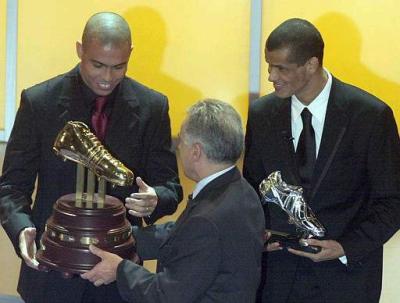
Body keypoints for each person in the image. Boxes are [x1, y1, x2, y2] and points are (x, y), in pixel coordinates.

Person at [0, 12, 182, 303]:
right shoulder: (39, 102)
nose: (107, 77)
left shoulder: (153, 107)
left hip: (119, 279)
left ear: (130, 54)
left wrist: (154, 199)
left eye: (118, 66)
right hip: (52, 276)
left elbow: (171, 187)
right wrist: (22, 228)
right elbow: (11, 188)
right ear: (79, 50)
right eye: (97, 64)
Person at [243, 18, 400, 303]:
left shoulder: (371, 117)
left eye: (281, 68)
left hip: (346, 281)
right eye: (268, 65)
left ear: (311, 64)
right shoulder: (261, 114)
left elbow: (392, 202)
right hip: (277, 278)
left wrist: (344, 247)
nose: (270, 76)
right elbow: (250, 190)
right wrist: (257, 234)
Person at [81, 99, 266, 303]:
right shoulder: (241, 190)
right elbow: (185, 234)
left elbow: (167, 295)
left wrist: (119, 269)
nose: (178, 146)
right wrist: (124, 238)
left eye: (182, 141)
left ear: (196, 151)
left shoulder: (207, 219)